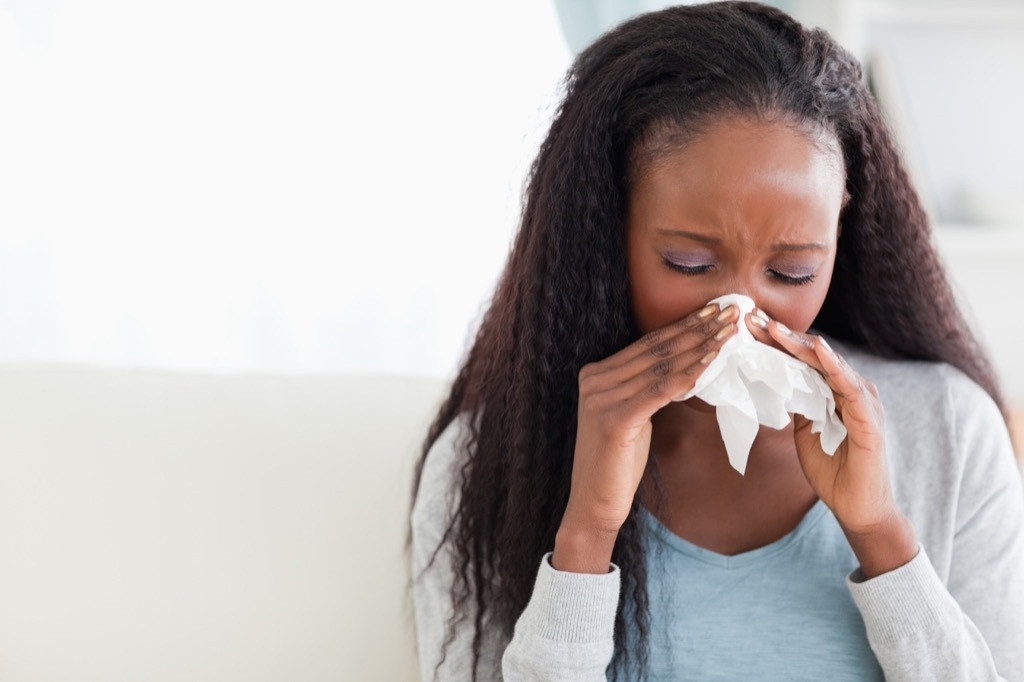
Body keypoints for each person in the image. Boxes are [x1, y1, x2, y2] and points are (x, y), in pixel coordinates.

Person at [409, 2, 1024, 680]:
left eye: (793, 271)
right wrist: (584, 539)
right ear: (607, 232)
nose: (739, 311)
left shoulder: (951, 430)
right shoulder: (489, 459)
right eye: (690, 264)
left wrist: (881, 533)